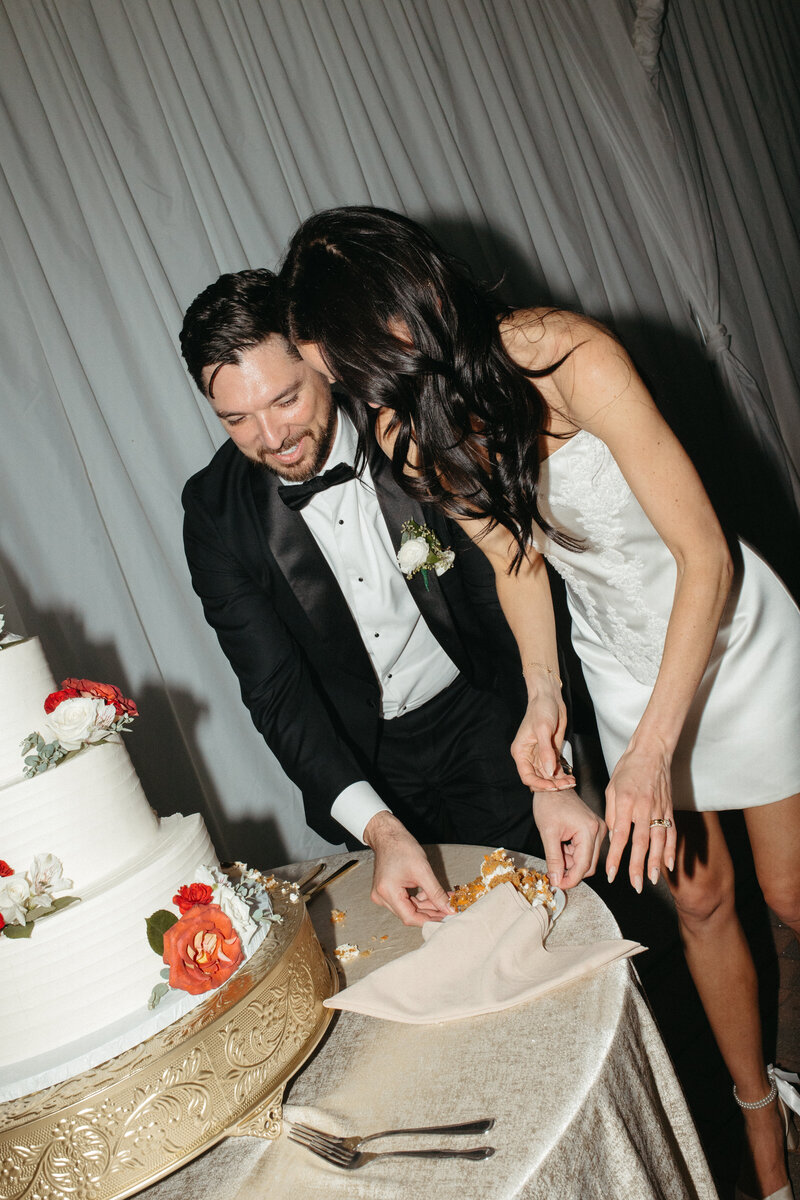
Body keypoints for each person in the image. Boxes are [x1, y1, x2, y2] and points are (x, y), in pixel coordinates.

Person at [281, 207, 800, 1200]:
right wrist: (543, 696)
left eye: (345, 367)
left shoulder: (570, 358)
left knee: (785, 894)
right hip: (618, 663)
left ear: (400, 318)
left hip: (728, 641)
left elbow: (705, 557)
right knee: (697, 899)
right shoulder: (400, 427)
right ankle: (762, 1131)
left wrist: (648, 757)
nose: (351, 396)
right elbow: (514, 554)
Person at [179, 268, 604, 930]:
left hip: (485, 711)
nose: (271, 437)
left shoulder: (411, 422)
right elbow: (277, 694)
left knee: (558, 917)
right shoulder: (215, 513)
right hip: (368, 765)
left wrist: (554, 766)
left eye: (286, 399)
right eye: (237, 418)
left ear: (320, 362)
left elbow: (507, 589)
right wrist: (377, 827)